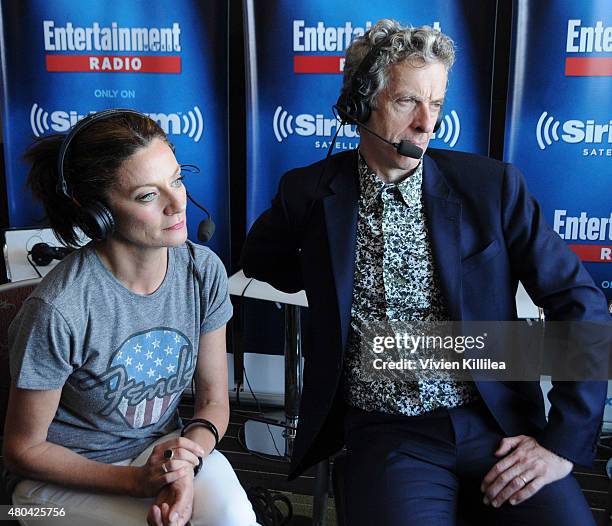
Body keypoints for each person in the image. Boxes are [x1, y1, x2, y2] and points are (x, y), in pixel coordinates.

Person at [241, 19, 611, 526]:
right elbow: (262, 261)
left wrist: (562, 443)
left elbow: (581, 303)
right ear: (359, 105)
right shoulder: (310, 192)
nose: (426, 124)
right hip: (388, 431)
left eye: (435, 104)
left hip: (496, 420)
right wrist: (319, 269)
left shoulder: (492, 188)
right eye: (406, 102)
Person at [4, 109, 259, 526]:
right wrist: (136, 483)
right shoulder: (60, 309)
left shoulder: (202, 271)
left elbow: (213, 402)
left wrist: (184, 465)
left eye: (176, 179)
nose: (178, 204)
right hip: (56, 481)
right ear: (97, 212)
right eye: (147, 195)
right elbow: (24, 450)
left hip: (160, 452)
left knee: (232, 517)